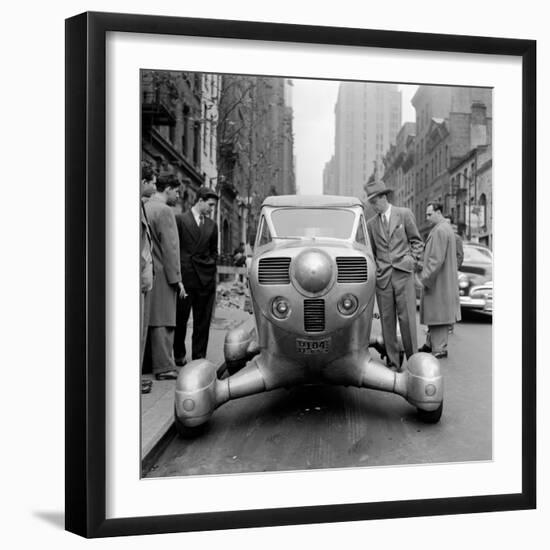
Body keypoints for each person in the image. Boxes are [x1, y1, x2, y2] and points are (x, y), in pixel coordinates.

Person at [366, 180, 423, 371]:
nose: (373, 206)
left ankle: (413, 361)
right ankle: (392, 361)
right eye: (370, 203)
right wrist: (378, 270)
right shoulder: (371, 225)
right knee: (387, 322)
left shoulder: (404, 214)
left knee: (407, 320)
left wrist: (411, 261)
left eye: (374, 202)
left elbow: (417, 242)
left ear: (384, 198)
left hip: (403, 275)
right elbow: (371, 253)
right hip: (383, 280)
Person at [144, 175, 186, 380]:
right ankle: (164, 367)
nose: (177, 195)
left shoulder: (144, 206)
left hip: (146, 270)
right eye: (176, 191)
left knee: (147, 319)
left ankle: (147, 364)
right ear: (167, 189)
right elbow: (171, 248)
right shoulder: (165, 211)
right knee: (164, 319)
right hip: (162, 273)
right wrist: (177, 279)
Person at [174, 187, 219, 364]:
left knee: (203, 321)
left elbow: (214, 252)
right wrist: (177, 277)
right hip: (185, 279)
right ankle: (178, 354)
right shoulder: (180, 220)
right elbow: (174, 249)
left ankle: (199, 357)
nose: (211, 209)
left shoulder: (212, 225)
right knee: (180, 319)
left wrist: (210, 266)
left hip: (205, 280)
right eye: (210, 204)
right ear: (199, 200)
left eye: (213, 206)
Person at [417, 202, 461, 358]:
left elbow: (435, 259)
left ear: (438, 212)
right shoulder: (443, 228)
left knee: (439, 316)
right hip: (441, 281)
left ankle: (439, 349)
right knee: (436, 315)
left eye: (430, 214)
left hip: (438, 282)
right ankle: (432, 345)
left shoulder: (440, 230)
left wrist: (425, 278)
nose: (427, 218)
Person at [140, 165, 156, 392]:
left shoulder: (141, 206)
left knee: (140, 331)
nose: (155, 185)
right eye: (152, 181)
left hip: (141, 281)